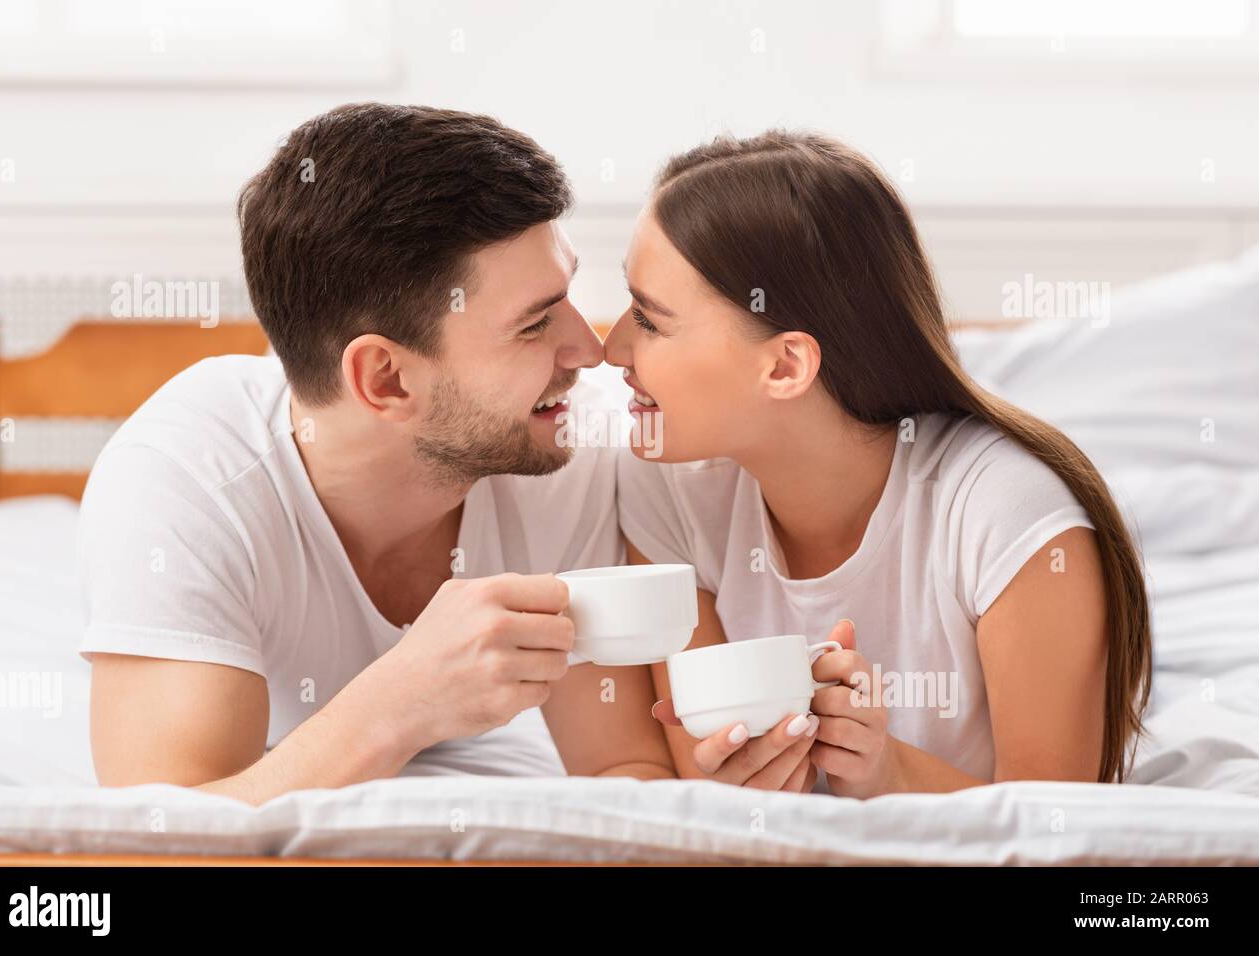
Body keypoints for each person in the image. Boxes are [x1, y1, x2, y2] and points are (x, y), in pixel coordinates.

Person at [76, 103, 684, 805]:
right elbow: (162, 833)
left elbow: (620, 772)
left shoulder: (564, 446)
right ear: (386, 380)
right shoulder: (184, 485)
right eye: (533, 324)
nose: (592, 349)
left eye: (567, 295)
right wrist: (403, 700)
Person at [606, 129, 1152, 798]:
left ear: (784, 366)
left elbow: (1056, 824)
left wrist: (884, 768)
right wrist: (747, 779)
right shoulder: (665, 492)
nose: (613, 349)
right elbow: (706, 773)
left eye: (649, 319)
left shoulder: (1008, 516)